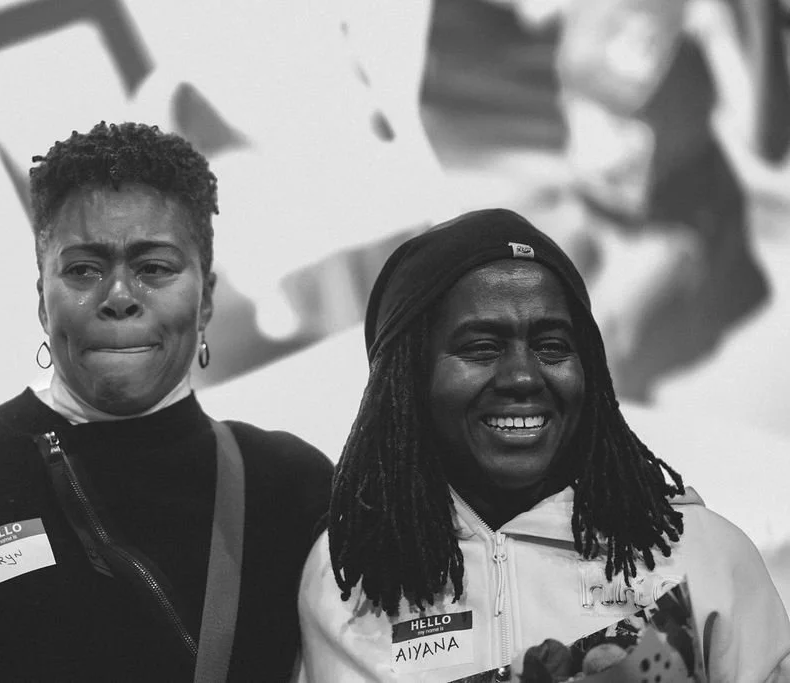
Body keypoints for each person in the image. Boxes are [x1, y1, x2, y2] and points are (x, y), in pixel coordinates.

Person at [0, 122, 334, 681]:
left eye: (153, 268)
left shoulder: (294, 489)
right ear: (42, 299)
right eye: (83, 270)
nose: (118, 297)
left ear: (206, 299)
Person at [296, 208, 790, 681]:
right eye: (481, 347)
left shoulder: (697, 554)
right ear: (406, 379)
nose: (523, 376)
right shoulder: (347, 575)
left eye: (552, 346)